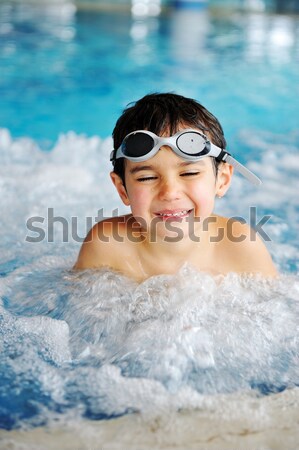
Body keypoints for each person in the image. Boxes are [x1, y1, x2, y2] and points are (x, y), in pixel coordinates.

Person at [74, 93, 277, 281]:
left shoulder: (241, 246)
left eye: (189, 173)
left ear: (222, 180)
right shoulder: (106, 245)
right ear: (122, 189)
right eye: (147, 177)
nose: (170, 193)